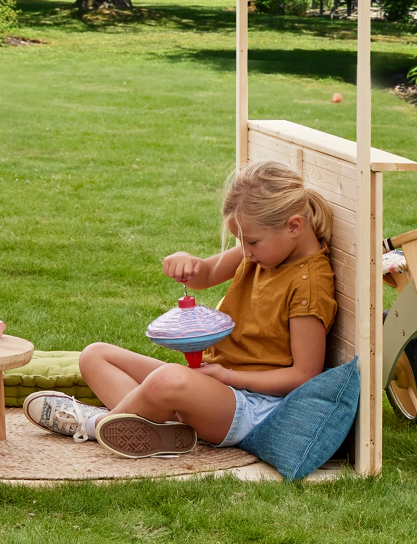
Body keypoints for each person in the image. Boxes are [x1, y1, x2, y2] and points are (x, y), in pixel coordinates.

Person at [26, 160, 337, 458]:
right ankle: (160, 429)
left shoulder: (308, 284)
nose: (245, 251)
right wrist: (187, 262)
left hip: (253, 407)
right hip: (213, 387)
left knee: (169, 379)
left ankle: (91, 425)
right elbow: (205, 275)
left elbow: (304, 376)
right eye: (241, 241)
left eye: (251, 242)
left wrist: (227, 376)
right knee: (95, 354)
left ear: (294, 226)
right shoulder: (262, 249)